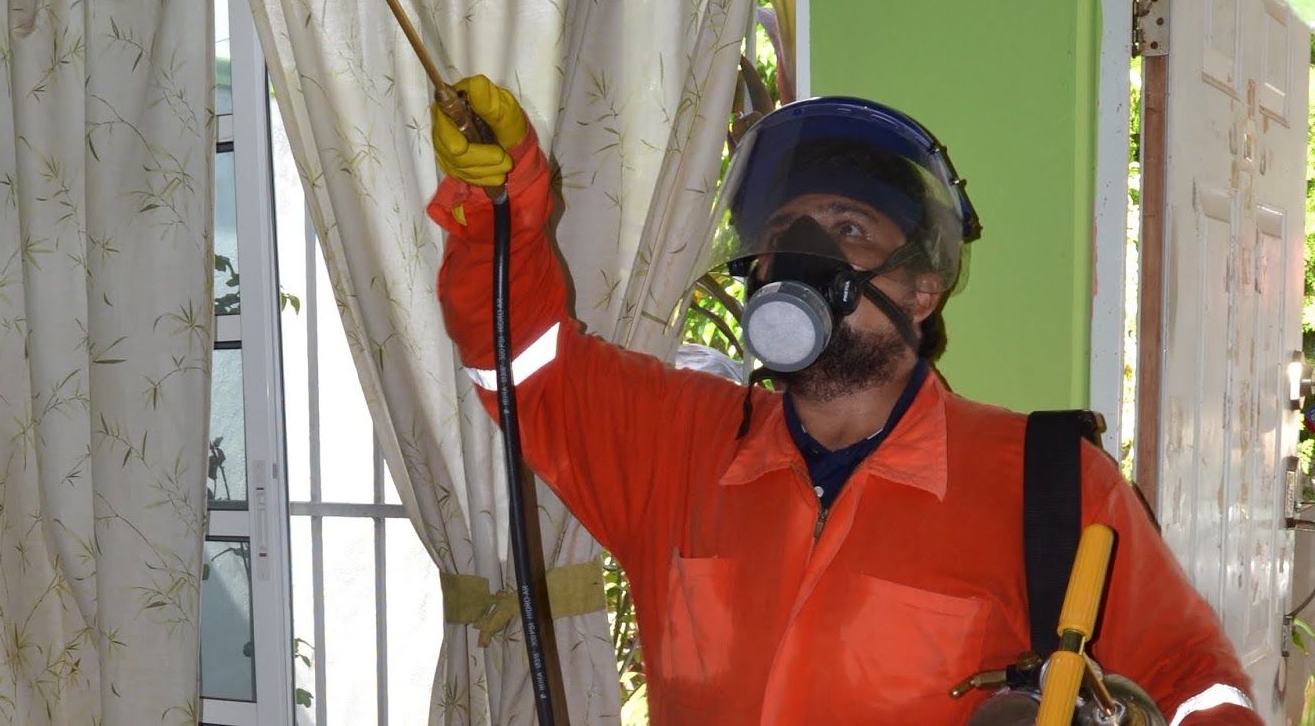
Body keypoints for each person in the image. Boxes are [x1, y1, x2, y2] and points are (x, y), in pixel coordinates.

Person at [428, 76, 1260, 725]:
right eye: (783, 229)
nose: (802, 256)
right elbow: (519, 358)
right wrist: (499, 209)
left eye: (849, 228)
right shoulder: (675, 442)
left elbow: (1195, 684)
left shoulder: (1048, 485)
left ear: (925, 289)